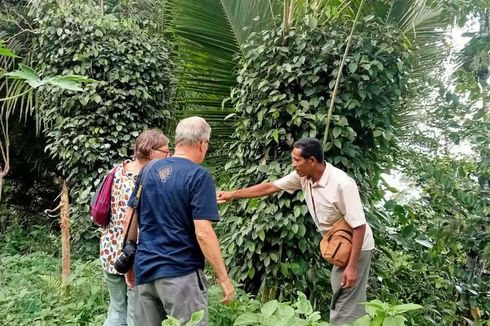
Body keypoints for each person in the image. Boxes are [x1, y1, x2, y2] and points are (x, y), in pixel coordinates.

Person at [217, 137, 374, 325]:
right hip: (338, 243)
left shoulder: (342, 183)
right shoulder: (303, 177)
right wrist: (232, 194)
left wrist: (353, 266)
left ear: (312, 161)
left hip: (357, 245)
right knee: (341, 293)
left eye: (297, 160)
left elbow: (359, 225)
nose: (294, 165)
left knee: (346, 300)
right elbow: (270, 186)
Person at [128, 116, 234, 326]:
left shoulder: (148, 170)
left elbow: (131, 217)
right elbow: (203, 232)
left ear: (178, 141)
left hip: (145, 270)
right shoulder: (198, 176)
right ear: (203, 144)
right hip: (180, 274)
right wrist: (223, 278)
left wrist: (130, 262)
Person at [99, 129, 171, 326]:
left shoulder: (116, 171)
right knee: (135, 315)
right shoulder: (150, 178)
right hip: (135, 253)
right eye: (165, 151)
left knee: (116, 310)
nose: (169, 155)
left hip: (110, 251)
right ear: (150, 151)